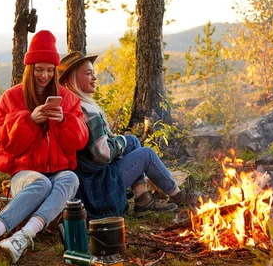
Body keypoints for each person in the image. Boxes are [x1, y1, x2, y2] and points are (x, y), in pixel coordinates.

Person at [0, 31, 89, 264]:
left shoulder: (68, 98)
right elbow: (3, 145)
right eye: (39, 69)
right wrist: (29, 120)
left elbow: (80, 141)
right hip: (24, 175)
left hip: (57, 173)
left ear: (55, 71)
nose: (44, 75)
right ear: (29, 68)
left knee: (70, 178)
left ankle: (22, 237)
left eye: (50, 69)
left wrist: (64, 121)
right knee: (41, 182)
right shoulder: (11, 98)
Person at [57, 52, 191, 219]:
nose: (94, 77)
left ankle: (143, 199)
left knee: (133, 141)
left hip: (87, 181)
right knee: (147, 154)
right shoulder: (87, 111)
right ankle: (180, 197)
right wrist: (119, 142)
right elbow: (103, 155)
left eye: (93, 72)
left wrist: (121, 142)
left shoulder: (69, 106)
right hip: (97, 190)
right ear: (72, 80)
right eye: (88, 73)